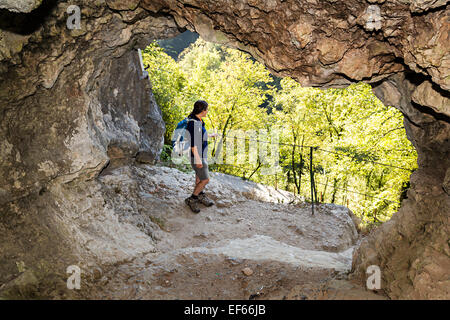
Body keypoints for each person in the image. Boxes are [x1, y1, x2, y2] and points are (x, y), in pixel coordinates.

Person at [184, 100, 218, 213]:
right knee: (205, 179)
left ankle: (200, 194)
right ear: (203, 110)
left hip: (201, 154)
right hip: (197, 156)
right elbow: (193, 143)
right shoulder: (194, 124)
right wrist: (198, 159)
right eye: (206, 109)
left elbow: (201, 134)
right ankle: (192, 198)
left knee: (199, 177)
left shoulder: (198, 120)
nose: (207, 111)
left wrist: (210, 135)